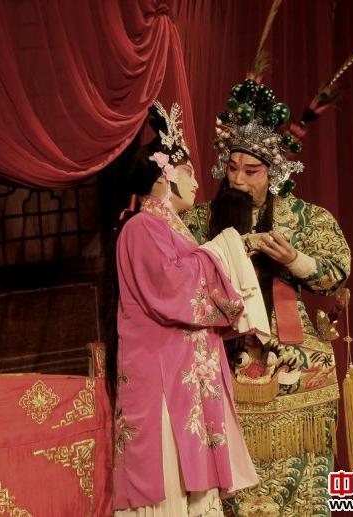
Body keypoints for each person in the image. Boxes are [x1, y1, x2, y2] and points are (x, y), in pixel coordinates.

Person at [182, 79, 351, 516]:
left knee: (301, 491)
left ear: (273, 172)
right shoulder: (199, 220)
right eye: (232, 167)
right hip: (220, 359)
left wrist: (294, 260)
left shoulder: (305, 218)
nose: (237, 179)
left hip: (294, 360)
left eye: (251, 170)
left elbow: (335, 274)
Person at [109, 101, 260, 516]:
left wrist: (220, 252)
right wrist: (224, 251)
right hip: (161, 375)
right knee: (167, 485)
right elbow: (173, 287)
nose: (196, 183)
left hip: (184, 373)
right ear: (165, 176)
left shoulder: (171, 231)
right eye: (188, 172)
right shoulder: (141, 227)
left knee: (193, 486)